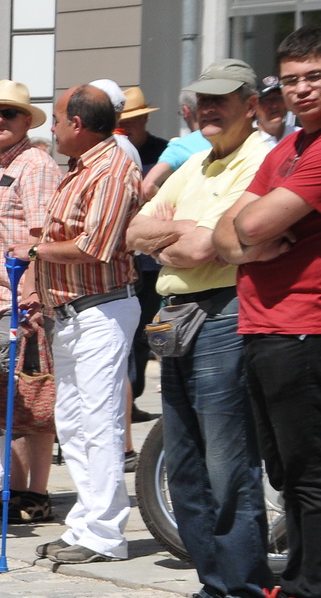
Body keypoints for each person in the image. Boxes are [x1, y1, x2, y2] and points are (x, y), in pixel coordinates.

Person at [125, 57, 273, 598]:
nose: (209, 109)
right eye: (204, 100)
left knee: (227, 460)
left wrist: (183, 238)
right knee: (184, 459)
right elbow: (137, 231)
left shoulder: (258, 158)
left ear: (250, 104)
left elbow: (211, 246)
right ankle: (216, 583)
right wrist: (182, 235)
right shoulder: (196, 161)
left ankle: (245, 588)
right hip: (179, 313)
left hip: (223, 312)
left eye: (223, 100)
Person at [216, 26, 321, 598]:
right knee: (286, 471)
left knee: (315, 470)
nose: (301, 88)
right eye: (291, 79)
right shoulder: (287, 146)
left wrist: (252, 236)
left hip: (310, 324)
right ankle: (295, 587)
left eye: (314, 75)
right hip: (264, 323)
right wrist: (254, 237)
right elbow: (222, 234)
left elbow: (253, 221)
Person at [7, 84, 144, 565]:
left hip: (102, 310)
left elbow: (95, 246)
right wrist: (37, 290)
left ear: (79, 125)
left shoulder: (112, 169)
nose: (55, 129)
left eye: (59, 120)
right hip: (70, 312)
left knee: (99, 421)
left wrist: (34, 253)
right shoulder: (80, 168)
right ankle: (86, 524)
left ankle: (105, 534)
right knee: (73, 421)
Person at [0, 79, 63, 524]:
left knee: (28, 399)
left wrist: (31, 290)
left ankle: (34, 492)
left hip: (17, 297)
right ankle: (13, 488)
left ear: (27, 120)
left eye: (8, 114)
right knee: (4, 402)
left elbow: (41, 233)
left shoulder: (36, 164)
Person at [119, 86, 170, 425]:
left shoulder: (165, 151)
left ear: (146, 119)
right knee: (128, 332)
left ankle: (131, 399)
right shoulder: (115, 154)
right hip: (127, 257)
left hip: (155, 257)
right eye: (124, 122)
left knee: (145, 331)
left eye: (135, 121)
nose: (129, 128)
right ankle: (127, 401)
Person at [142, 92, 208, 196]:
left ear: (186, 111)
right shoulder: (231, 141)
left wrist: (171, 202)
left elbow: (148, 187)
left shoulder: (180, 147)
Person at [256, 76, 297, 142]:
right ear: (253, 107)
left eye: (278, 98)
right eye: (267, 100)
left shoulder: (301, 137)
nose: (274, 105)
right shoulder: (247, 143)